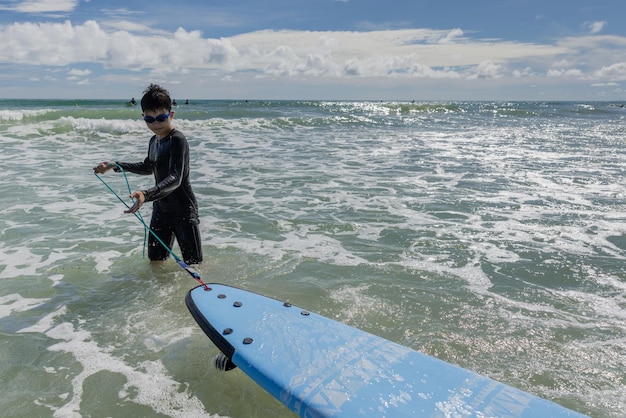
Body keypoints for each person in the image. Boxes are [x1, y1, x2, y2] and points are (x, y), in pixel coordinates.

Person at [94, 84, 202, 265]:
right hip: (161, 210)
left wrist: (146, 194)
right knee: (156, 262)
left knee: (195, 265)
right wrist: (115, 165)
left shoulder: (178, 139)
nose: (155, 124)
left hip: (183, 211)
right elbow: (148, 166)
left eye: (161, 118)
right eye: (149, 120)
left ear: (171, 115)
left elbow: (176, 178)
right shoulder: (154, 141)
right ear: (143, 117)